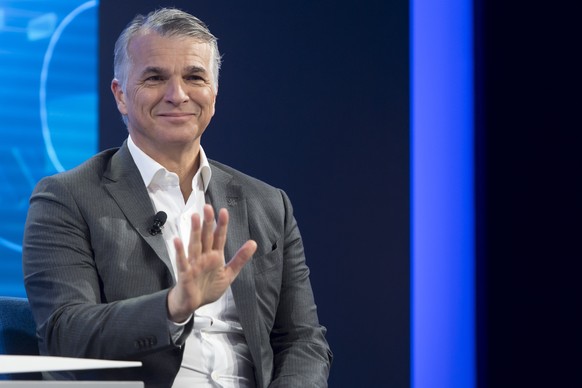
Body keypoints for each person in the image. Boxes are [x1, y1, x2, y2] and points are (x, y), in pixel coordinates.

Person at [22, 8, 331, 388]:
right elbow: (64, 333)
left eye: (194, 77)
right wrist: (173, 307)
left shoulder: (269, 204)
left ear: (213, 95)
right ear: (120, 95)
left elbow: (303, 340)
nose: (177, 94)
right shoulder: (66, 198)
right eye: (155, 77)